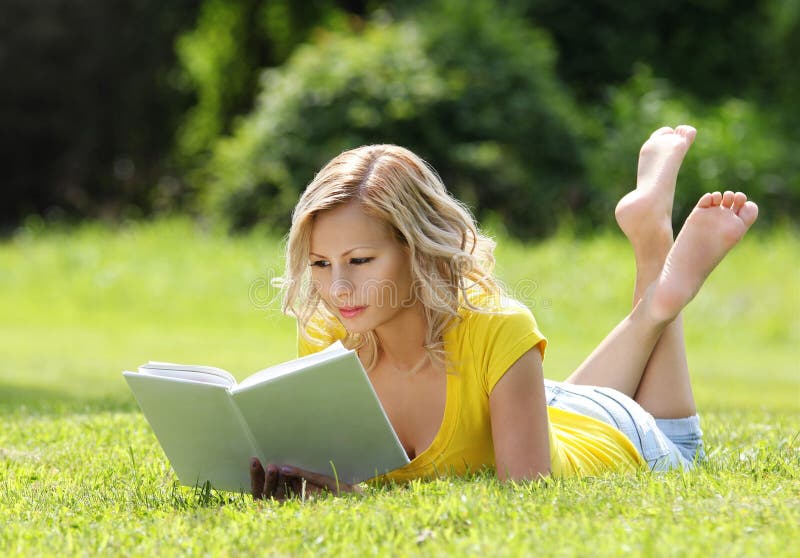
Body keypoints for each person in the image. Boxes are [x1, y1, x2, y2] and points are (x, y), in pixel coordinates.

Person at [249, 125, 759, 501]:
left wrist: (356, 501)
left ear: (419, 249)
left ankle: (658, 268)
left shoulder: (498, 327)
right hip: (543, 404)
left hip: (614, 433)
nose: (337, 287)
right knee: (566, 397)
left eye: (360, 261)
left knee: (681, 444)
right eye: (319, 263)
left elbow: (527, 499)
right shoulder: (327, 334)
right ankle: (654, 291)